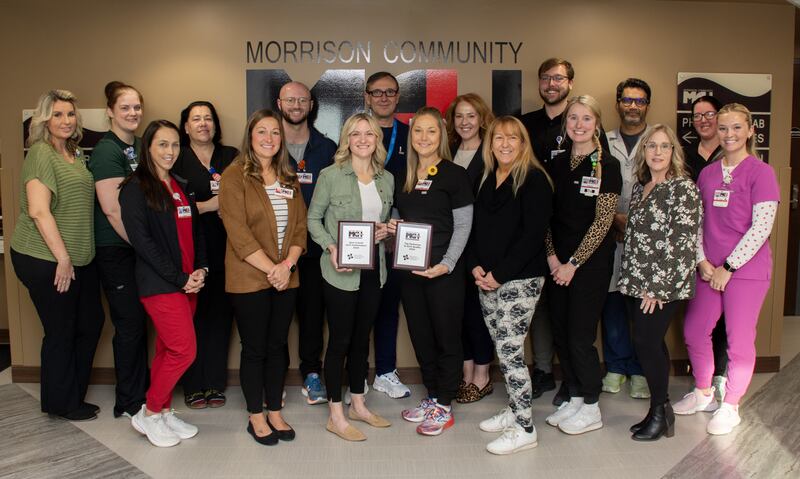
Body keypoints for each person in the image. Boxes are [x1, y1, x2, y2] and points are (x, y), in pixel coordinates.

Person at [674, 103, 779, 435]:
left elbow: (762, 227)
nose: (729, 134)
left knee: (739, 339)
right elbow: (697, 222)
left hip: (745, 270)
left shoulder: (762, 173)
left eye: (736, 127)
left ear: (750, 131)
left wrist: (729, 267)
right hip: (708, 268)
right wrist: (702, 261)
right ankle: (703, 392)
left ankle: (731, 405)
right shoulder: (707, 173)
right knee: (694, 330)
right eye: (723, 128)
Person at [11, 90, 104, 421]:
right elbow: (39, 211)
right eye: (58, 114)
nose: (66, 120)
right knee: (61, 330)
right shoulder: (40, 152)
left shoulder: (74, 153)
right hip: (44, 256)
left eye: (70, 114)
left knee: (90, 323)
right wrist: (62, 259)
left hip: (79, 257)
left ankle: (68, 396)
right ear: (44, 119)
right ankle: (63, 404)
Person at [218, 109, 307, 446]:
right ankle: (256, 415)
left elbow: (300, 228)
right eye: (262, 132)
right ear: (250, 136)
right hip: (250, 278)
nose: (269, 139)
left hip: (286, 276)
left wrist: (288, 265)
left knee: (277, 346)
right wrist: (273, 269)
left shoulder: (289, 176)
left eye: (275, 132)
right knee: (255, 348)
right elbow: (238, 233)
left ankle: (275, 410)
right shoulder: (234, 176)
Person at [119, 120, 208, 448]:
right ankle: (150, 412)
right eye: (162, 144)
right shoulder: (135, 188)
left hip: (188, 282)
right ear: (148, 147)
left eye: (174, 145)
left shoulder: (180, 184)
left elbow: (196, 232)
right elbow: (143, 243)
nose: (170, 151)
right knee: (184, 350)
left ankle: (164, 412)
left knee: (167, 349)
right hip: (161, 284)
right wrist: (180, 278)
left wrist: (201, 270)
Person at [307, 113, 394, 441]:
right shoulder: (330, 175)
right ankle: (336, 415)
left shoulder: (387, 178)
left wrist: (385, 231)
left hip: (374, 271)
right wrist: (331, 247)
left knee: (362, 341)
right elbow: (313, 219)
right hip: (340, 272)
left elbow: (381, 222)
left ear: (377, 140)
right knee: (340, 341)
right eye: (355, 134)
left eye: (369, 134)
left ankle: (358, 404)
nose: (362, 139)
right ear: (347, 139)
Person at [469, 116, 553, 454]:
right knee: (503, 349)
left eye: (512, 138)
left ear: (523, 143)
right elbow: (477, 228)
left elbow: (532, 236)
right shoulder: (487, 177)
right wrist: (476, 266)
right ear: (490, 144)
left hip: (520, 279)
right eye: (498, 138)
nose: (505, 144)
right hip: (486, 277)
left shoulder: (534, 180)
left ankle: (524, 427)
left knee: (509, 351)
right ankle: (514, 409)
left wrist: (499, 274)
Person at [390, 106, 473, 436]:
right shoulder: (404, 174)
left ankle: (445, 404)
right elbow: (399, 212)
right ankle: (433, 396)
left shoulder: (454, 175)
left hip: (443, 271)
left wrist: (446, 264)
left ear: (442, 136)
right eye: (418, 131)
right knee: (421, 336)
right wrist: (393, 224)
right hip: (411, 271)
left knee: (446, 338)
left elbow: (464, 225)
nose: (423, 137)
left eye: (431, 131)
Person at [617, 125, 701, 441]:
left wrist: (657, 288)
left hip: (661, 286)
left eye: (665, 146)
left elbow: (682, 243)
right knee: (650, 344)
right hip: (636, 282)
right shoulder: (642, 187)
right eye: (651, 145)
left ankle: (659, 412)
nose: (657, 152)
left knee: (647, 343)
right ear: (644, 151)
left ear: (673, 152)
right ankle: (661, 412)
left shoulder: (683, 188)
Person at [544, 95, 621, 435]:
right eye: (573, 118)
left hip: (588, 265)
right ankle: (574, 396)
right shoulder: (557, 164)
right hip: (556, 263)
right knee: (561, 333)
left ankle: (591, 405)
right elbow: (545, 216)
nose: (579, 125)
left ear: (597, 124)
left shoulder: (608, 166)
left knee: (579, 336)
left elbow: (603, 222)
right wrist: (552, 258)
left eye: (586, 118)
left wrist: (573, 263)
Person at [88, 81, 149, 418]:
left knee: (140, 323)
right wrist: (145, 247)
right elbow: (112, 210)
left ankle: (141, 393)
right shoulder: (107, 150)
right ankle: (128, 401)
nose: (132, 113)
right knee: (129, 324)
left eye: (137, 107)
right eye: (125, 107)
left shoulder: (139, 145)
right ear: (110, 111)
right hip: (116, 248)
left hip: (136, 248)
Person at [172, 101, 239, 409]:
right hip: (190, 250)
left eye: (208, 118)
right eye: (196, 119)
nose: (203, 124)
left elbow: (243, 197)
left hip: (229, 249)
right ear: (185, 127)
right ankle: (192, 383)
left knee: (220, 318)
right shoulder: (177, 158)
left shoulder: (231, 156)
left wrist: (219, 205)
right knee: (193, 317)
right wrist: (211, 205)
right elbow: (173, 209)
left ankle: (214, 382)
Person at [276, 81, 336, 405]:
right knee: (276, 319)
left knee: (313, 317)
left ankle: (312, 374)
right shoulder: (268, 146)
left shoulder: (327, 148)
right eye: (290, 100)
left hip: (314, 251)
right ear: (279, 103)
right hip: (276, 251)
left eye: (302, 100)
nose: (296, 105)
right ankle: (273, 379)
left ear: (311, 105)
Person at [602, 78, 652, 400]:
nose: (633, 106)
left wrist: (634, 222)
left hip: (648, 239)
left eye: (639, 101)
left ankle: (640, 369)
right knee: (612, 302)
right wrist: (614, 218)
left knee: (642, 306)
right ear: (618, 103)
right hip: (610, 232)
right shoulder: (602, 139)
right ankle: (616, 366)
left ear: (647, 105)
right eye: (627, 100)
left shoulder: (658, 139)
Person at [444, 93, 496, 404]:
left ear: (481, 119)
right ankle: (465, 374)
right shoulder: (447, 151)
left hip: (481, 244)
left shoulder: (492, 152)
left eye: (471, 116)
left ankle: (482, 376)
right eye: (459, 116)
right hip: (452, 244)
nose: (465, 122)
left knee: (478, 313)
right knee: (457, 312)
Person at [365, 72, 412, 400]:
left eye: (390, 92)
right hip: (360, 236)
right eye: (377, 92)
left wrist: (398, 226)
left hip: (395, 236)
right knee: (356, 308)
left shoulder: (410, 135)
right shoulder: (357, 133)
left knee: (388, 306)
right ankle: (356, 375)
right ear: (367, 97)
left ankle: (385, 372)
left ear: (397, 96)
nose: (383, 98)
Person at [686, 95, 729, 403]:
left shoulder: (730, 155)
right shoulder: (686, 154)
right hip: (692, 244)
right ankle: (701, 381)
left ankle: (720, 377)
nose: (703, 120)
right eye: (697, 115)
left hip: (723, 246)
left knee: (724, 319)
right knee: (697, 319)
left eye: (709, 114)